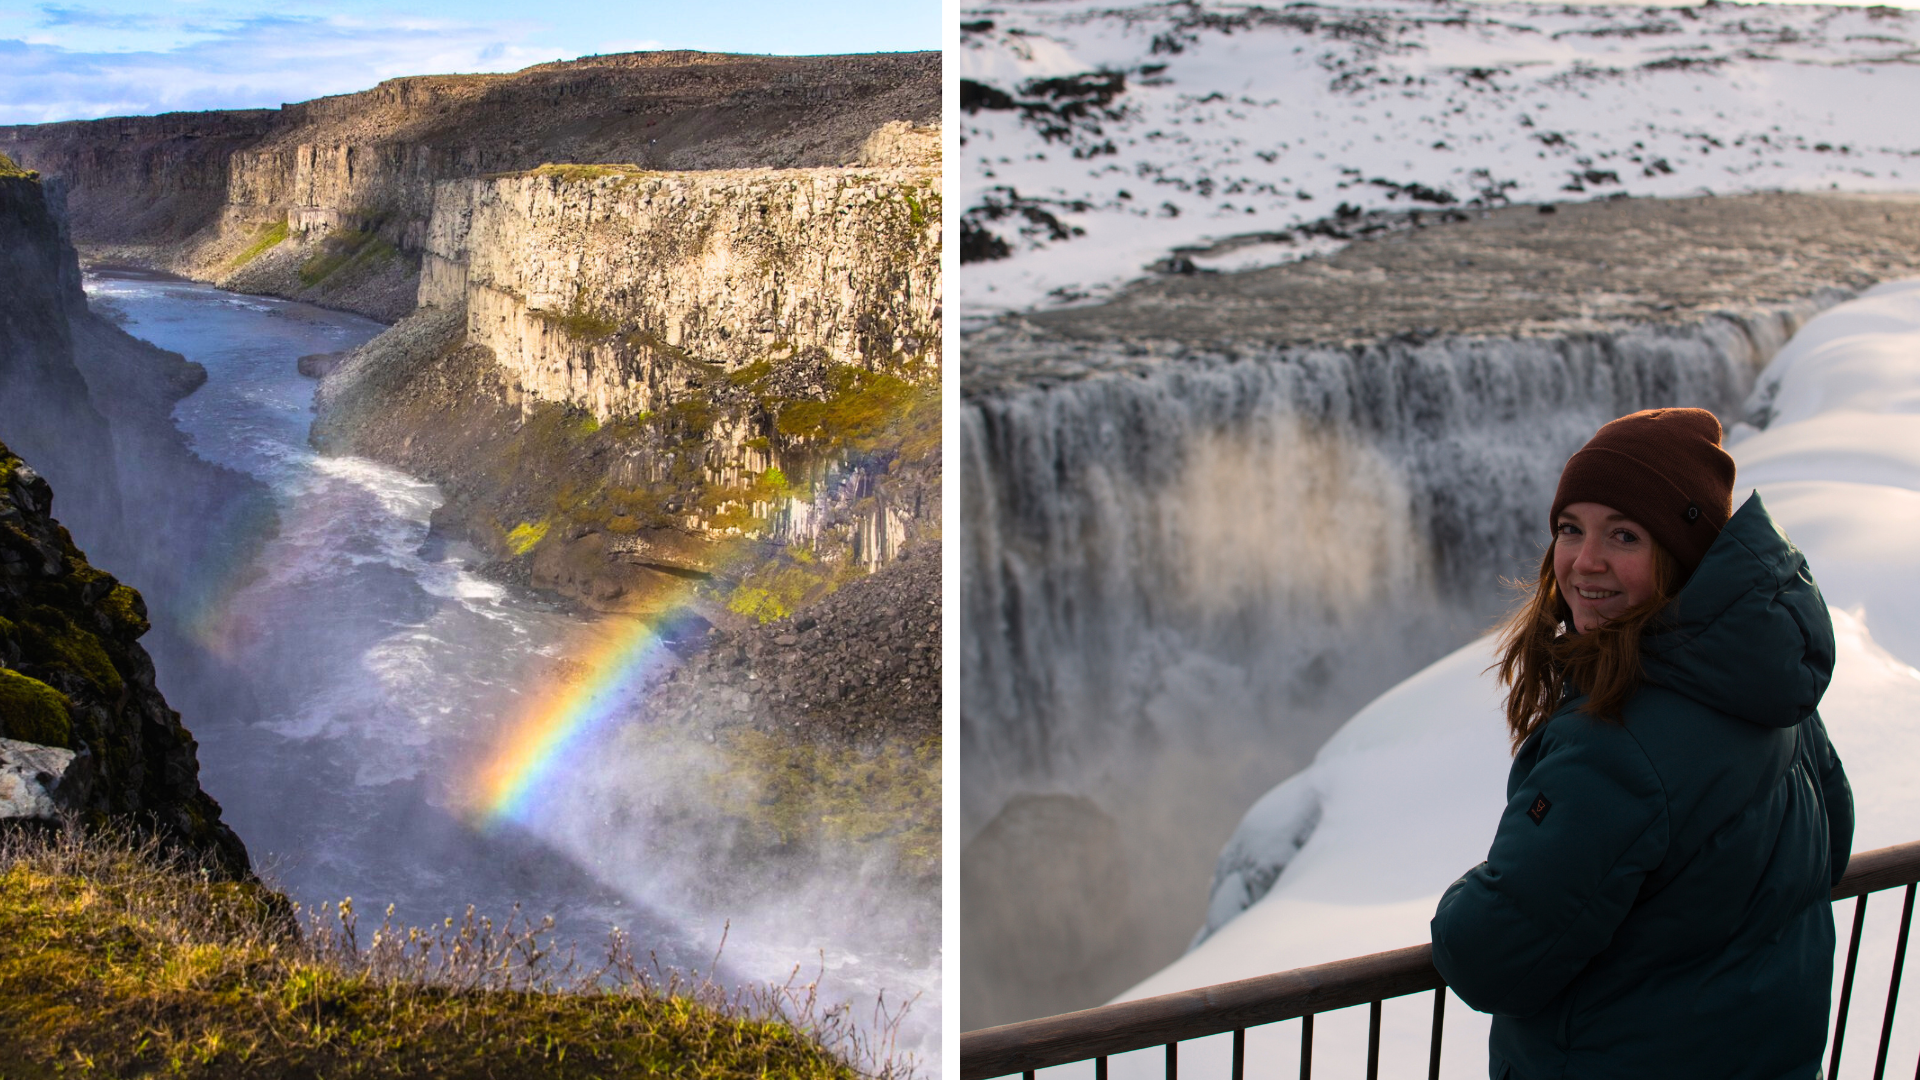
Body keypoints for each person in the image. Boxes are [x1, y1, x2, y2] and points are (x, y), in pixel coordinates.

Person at [1430, 407, 1853, 1080]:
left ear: (1680, 557)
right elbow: (1831, 844)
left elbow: (1490, 957)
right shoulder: (1767, 689)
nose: (1585, 562)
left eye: (1624, 536)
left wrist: (1464, 899)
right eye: (1571, 529)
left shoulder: (1615, 745)